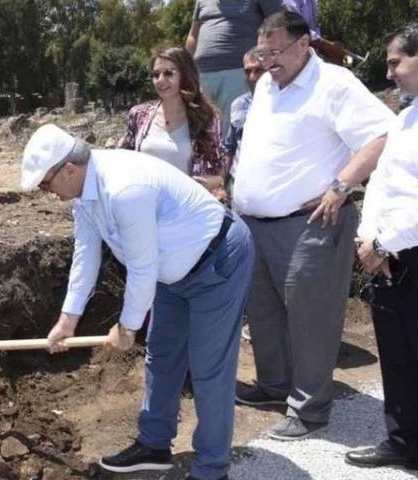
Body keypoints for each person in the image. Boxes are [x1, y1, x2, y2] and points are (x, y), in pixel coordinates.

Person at [21, 124, 254, 480]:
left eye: (45, 183)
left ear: (68, 169)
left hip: (217, 260)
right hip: (171, 270)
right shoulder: (84, 193)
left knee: (208, 368)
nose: (45, 191)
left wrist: (128, 326)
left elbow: (141, 268)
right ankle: (154, 445)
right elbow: (86, 254)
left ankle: (211, 468)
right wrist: (68, 320)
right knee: (161, 356)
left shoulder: (124, 188)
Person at [232, 11, 394, 441]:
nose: (266, 61)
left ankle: (310, 408)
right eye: (261, 52)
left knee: (311, 318)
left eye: (275, 51)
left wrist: (341, 186)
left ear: (303, 44)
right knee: (263, 314)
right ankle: (275, 385)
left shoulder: (333, 84)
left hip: (309, 225)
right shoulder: (268, 83)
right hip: (255, 225)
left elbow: (382, 135)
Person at [345, 22, 418, 470]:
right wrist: (368, 239)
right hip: (388, 257)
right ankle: (402, 440)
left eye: (395, 62)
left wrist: (384, 242)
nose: (389, 73)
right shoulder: (405, 117)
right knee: (396, 354)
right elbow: (382, 183)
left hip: (405, 249)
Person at [118, 47, 228, 202]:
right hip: (144, 205)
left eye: (168, 73)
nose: (161, 80)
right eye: (156, 75)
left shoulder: (207, 118)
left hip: (187, 208)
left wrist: (213, 183)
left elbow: (221, 164)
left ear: (184, 75)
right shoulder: (138, 115)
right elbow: (124, 158)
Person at [185, 0, 283, 136]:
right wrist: (184, 66)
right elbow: (193, 35)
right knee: (203, 128)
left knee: (233, 126)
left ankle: (231, 157)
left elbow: (279, 23)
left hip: (239, 71)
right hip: (201, 74)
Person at [221, 47, 266, 182]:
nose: (252, 77)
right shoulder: (238, 104)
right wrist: (221, 182)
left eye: (258, 70)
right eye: (247, 71)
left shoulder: (284, 103)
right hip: (239, 181)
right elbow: (230, 147)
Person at [282, 0, 346, 65]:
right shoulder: (291, 2)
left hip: (318, 56)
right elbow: (297, 29)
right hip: (300, 59)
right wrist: (328, 47)